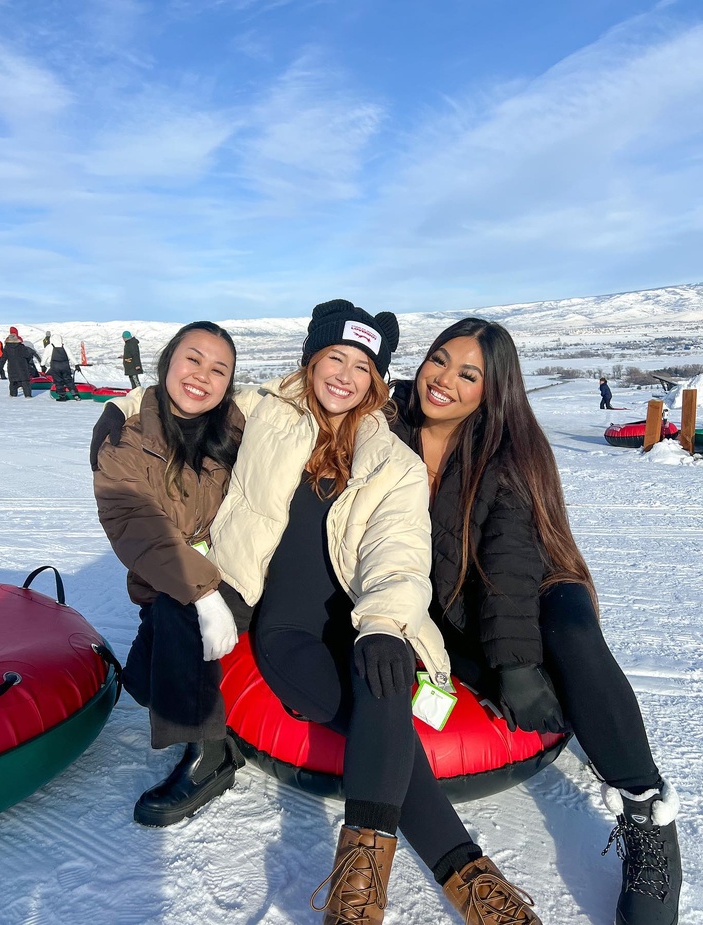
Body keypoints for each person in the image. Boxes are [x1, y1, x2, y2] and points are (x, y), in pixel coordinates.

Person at [93, 301, 545, 924]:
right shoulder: (263, 411)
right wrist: (124, 410)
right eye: (336, 357)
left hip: (363, 621)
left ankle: (377, 888)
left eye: (363, 366)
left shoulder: (394, 461)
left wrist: (384, 624)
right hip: (287, 627)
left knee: (383, 684)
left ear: (377, 379)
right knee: (367, 717)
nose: (346, 376)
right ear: (311, 360)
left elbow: (399, 552)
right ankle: (462, 876)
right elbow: (190, 401)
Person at [391, 318, 682, 925]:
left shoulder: (508, 450)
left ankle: (647, 814)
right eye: (439, 360)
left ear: (491, 390)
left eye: (468, 374)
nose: (443, 380)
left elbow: (510, 562)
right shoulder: (388, 427)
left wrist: (517, 665)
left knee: (569, 638)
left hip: (538, 581)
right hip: (449, 605)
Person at [93, 321, 251, 828]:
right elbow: (134, 520)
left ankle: (210, 757)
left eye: (219, 369)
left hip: (238, 571)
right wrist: (204, 594)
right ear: (167, 361)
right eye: (193, 359)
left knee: (176, 611)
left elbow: (306, 396)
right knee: (143, 683)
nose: (203, 375)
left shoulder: (240, 427)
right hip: (172, 580)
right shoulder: (126, 433)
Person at [41, 333, 80, 401]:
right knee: (68, 379)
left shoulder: (50, 347)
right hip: (65, 365)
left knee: (58, 381)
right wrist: (76, 364)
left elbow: (45, 357)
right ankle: (75, 394)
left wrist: (42, 365)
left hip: (55, 366)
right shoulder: (65, 346)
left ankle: (62, 396)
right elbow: (71, 356)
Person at [2, 331, 36, 397]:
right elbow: (28, 355)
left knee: (13, 383)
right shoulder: (21, 347)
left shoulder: (6, 348)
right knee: (25, 382)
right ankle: (28, 395)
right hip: (22, 368)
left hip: (12, 368)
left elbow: (3, 358)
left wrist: (0, 367)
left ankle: (13, 395)